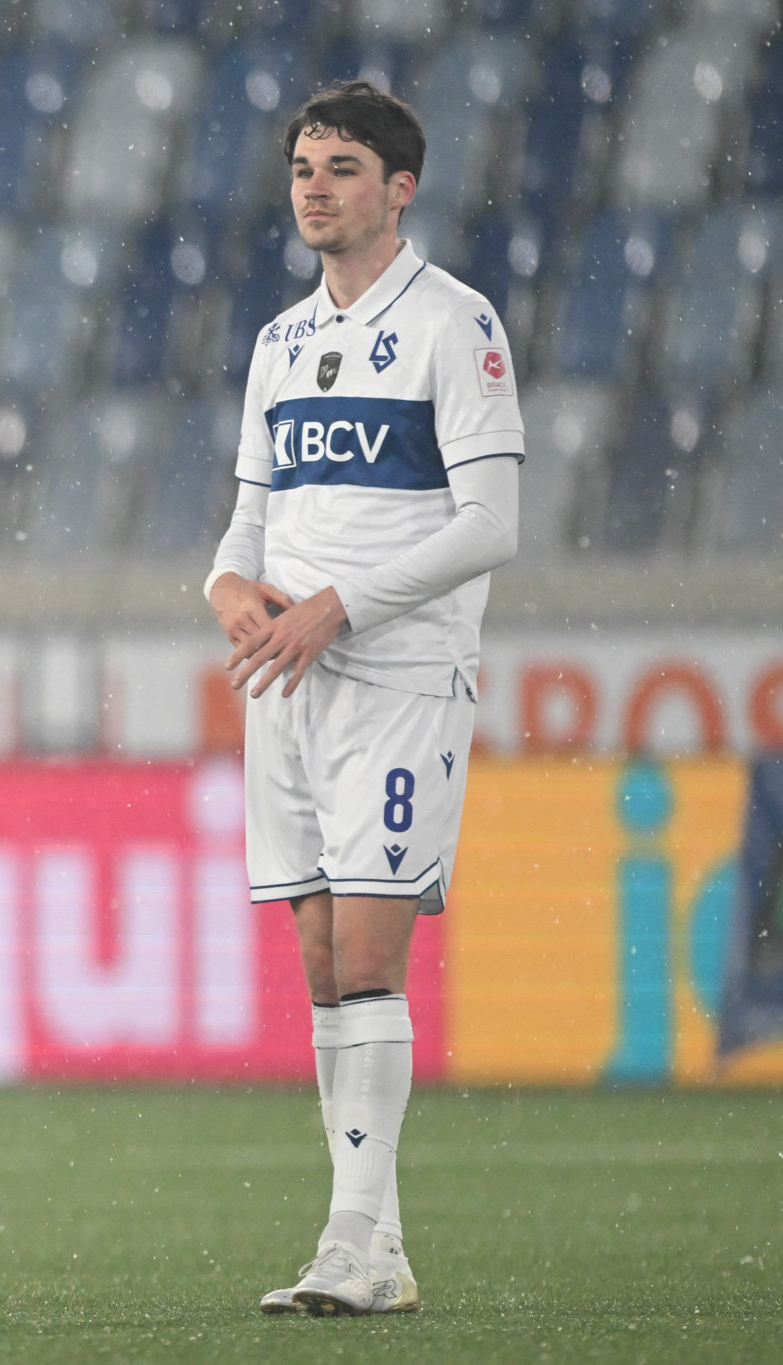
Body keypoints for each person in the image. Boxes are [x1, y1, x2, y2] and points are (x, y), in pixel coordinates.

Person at [204, 81, 521, 1317]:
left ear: (399, 188)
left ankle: (348, 1240)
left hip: (394, 678)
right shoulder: (280, 343)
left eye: (339, 168)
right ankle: (372, 1249)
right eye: (300, 168)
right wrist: (225, 585)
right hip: (286, 683)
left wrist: (340, 604)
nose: (313, 189)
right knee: (323, 962)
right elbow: (249, 515)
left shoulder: (455, 323)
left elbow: (489, 524)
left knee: (370, 954)